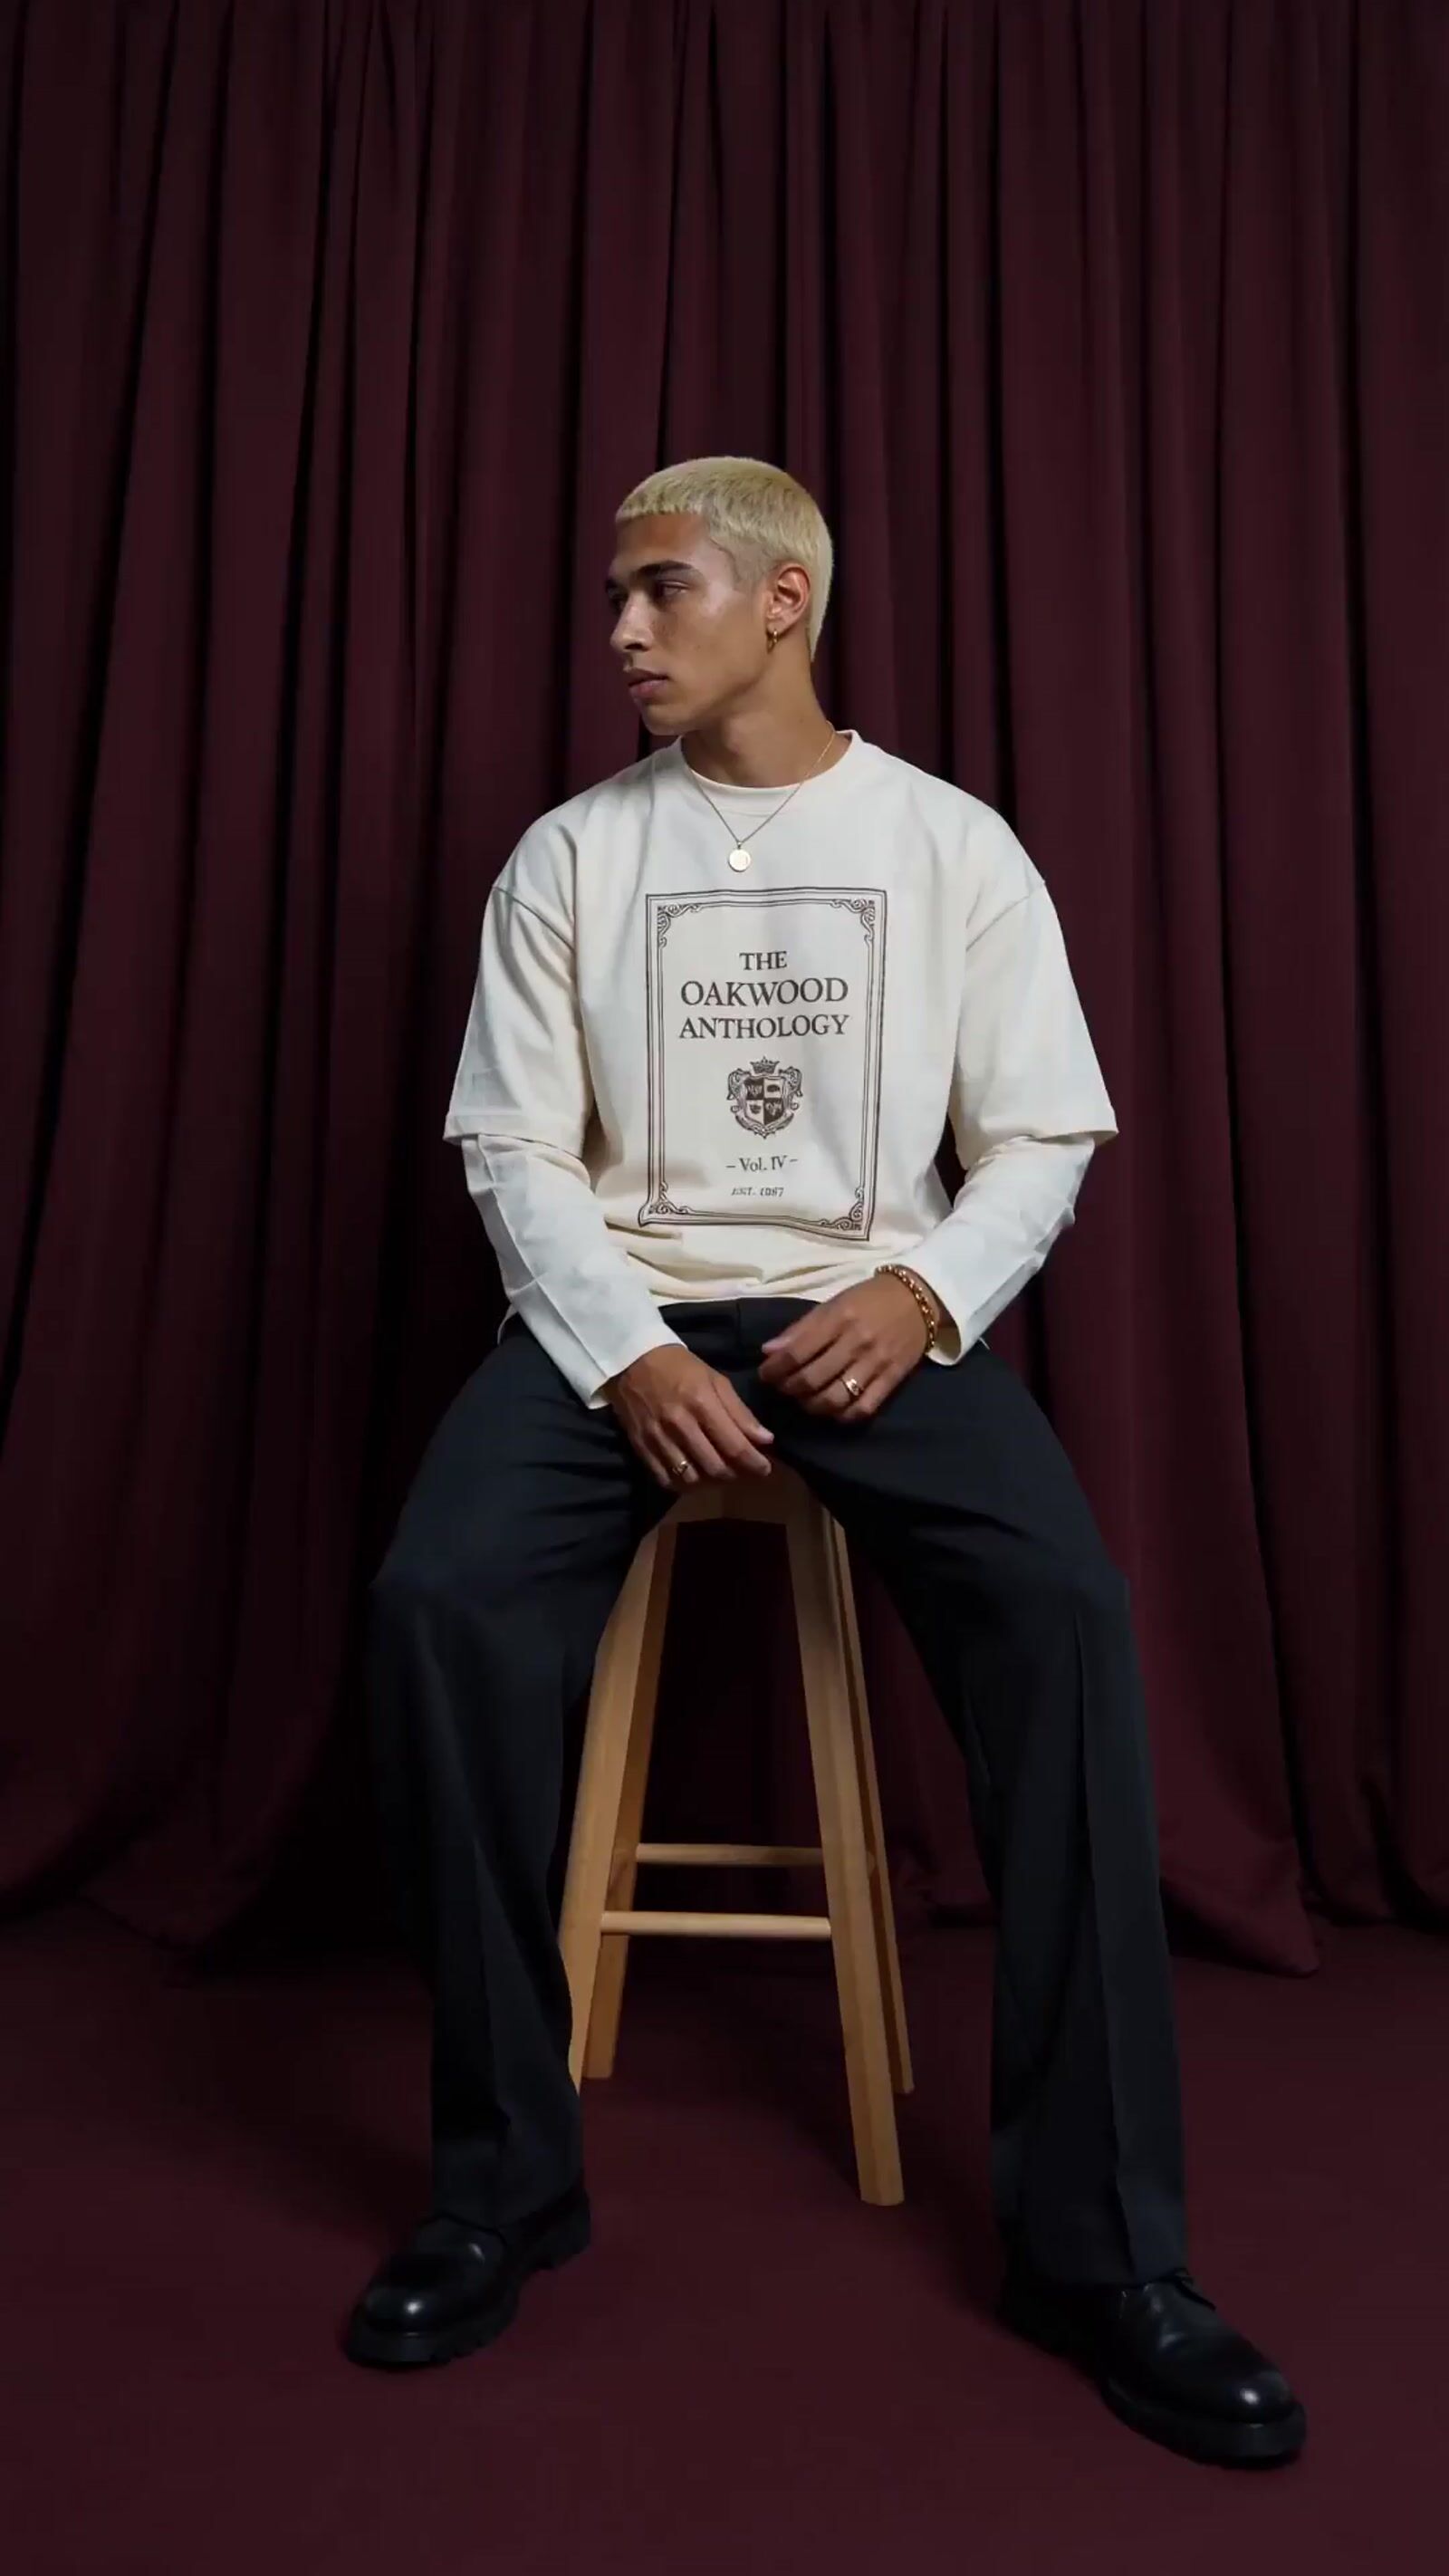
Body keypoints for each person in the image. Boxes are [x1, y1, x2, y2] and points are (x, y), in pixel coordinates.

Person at [344, 456, 1306, 2469]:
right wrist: (614, 1354)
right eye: (613, 596)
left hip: (867, 1323)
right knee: (435, 1608)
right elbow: (510, 1147)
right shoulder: (569, 858)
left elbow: (1039, 1131)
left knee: (1060, 1618)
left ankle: (1099, 2257)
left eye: (658, 590)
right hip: (616, 1323)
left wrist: (924, 1297)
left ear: (781, 601)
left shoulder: (948, 848)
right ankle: (501, 2186)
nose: (619, 629)